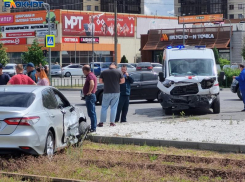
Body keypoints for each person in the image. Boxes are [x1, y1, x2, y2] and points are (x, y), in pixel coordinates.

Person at [97, 63, 125, 127]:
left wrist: (106, 82)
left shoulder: (104, 72)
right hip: (116, 91)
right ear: (115, 66)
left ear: (109, 66)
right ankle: (112, 122)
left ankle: (101, 122)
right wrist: (117, 83)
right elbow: (123, 81)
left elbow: (100, 81)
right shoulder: (119, 72)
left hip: (106, 91)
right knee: (114, 107)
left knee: (104, 107)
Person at [82, 66, 98, 132]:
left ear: (85, 70)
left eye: (83, 71)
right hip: (91, 95)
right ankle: (94, 127)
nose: (83, 72)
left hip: (90, 96)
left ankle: (93, 128)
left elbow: (92, 83)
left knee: (91, 113)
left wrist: (89, 92)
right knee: (92, 112)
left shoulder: (90, 76)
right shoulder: (92, 75)